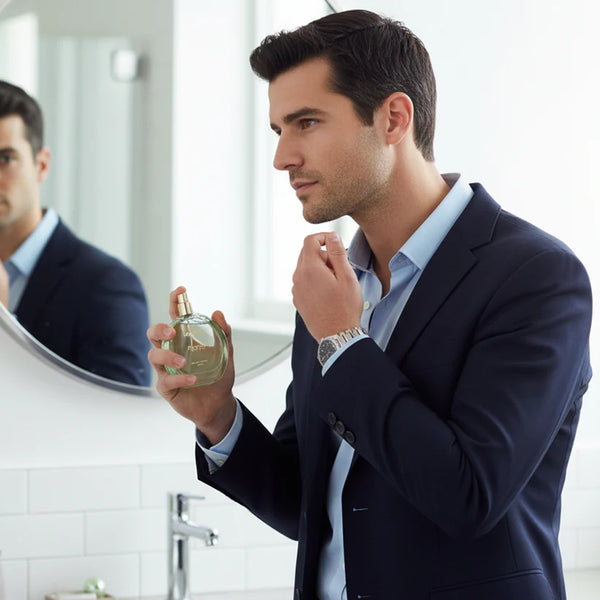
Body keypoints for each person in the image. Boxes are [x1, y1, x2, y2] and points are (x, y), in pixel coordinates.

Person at [148, 10, 593, 600]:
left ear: (393, 118)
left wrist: (341, 339)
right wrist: (218, 417)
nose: (282, 157)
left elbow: (468, 498)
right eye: (278, 130)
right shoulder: (332, 285)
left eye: (306, 122)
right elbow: (312, 504)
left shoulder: (536, 277)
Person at [0, 80, 151, 386]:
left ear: (42, 165)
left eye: (5, 159)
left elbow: (116, 413)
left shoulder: (108, 286)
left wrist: (5, 332)